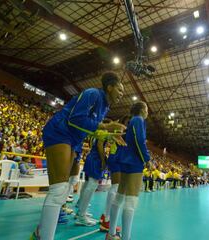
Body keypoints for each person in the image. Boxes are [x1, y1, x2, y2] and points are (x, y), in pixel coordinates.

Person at [30, 72, 126, 240]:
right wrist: (104, 126)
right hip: (60, 131)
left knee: (64, 187)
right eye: (119, 89)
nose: (122, 93)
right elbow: (76, 119)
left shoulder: (105, 106)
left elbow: (91, 129)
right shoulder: (92, 94)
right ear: (109, 87)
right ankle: (43, 235)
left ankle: (41, 232)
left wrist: (108, 134)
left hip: (73, 140)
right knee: (58, 189)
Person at [106, 101, 150, 240]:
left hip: (125, 160)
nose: (148, 111)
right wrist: (146, 158)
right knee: (130, 201)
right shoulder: (138, 120)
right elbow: (139, 140)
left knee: (119, 196)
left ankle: (111, 233)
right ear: (142, 110)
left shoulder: (132, 121)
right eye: (147, 108)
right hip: (134, 162)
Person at [100, 115, 130, 232]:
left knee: (115, 188)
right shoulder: (120, 132)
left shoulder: (122, 132)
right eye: (127, 122)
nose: (128, 125)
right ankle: (107, 220)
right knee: (115, 188)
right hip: (116, 159)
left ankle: (105, 216)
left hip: (117, 159)